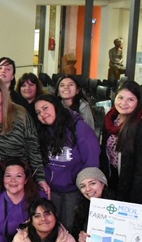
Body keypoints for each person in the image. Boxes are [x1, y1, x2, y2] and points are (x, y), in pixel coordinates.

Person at [0, 76, 49, 196]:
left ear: (3, 93)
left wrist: (40, 178)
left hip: (17, 181)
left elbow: (33, 149)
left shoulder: (20, 114)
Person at [34, 94, 100, 231]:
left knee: (71, 228)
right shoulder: (42, 130)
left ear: (56, 106)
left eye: (45, 108)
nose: (43, 114)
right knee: (53, 227)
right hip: (52, 189)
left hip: (75, 189)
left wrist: (87, 187)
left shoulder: (78, 127)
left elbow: (92, 158)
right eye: (38, 112)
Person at [99, 80, 142, 204]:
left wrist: (133, 202)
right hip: (115, 182)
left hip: (137, 189)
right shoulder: (111, 121)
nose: (124, 103)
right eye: (120, 97)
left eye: (130, 100)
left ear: (139, 102)